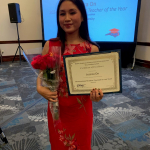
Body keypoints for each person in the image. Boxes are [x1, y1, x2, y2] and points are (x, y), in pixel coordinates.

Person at [37, 0, 104, 149]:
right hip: (57, 109)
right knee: (58, 145)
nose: (67, 18)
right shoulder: (51, 45)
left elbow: (95, 85)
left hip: (81, 111)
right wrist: (40, 88)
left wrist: (97, 95)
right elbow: (43, 75)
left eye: (72, 12)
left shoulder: (91, 49)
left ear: (82, 17)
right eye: (62, 14)